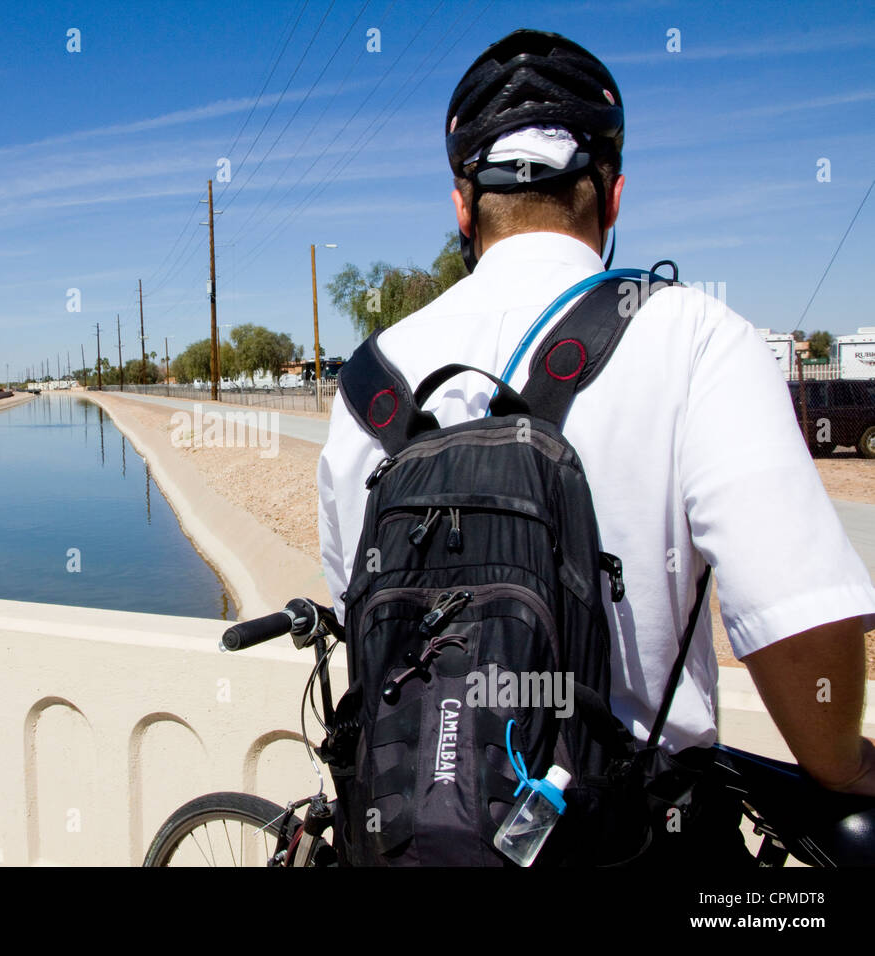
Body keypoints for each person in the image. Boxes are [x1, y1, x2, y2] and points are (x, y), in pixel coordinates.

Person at [316, 28, 875, 827]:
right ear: (612, 196)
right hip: (629, 841)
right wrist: (844, 767)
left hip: (417, 830)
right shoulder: (698, 337)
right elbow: (803, 617)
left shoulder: (367, 381)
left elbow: (360, 614)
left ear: (462, 207)